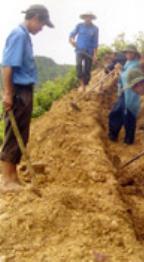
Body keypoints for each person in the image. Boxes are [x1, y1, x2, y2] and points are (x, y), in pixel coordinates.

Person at [0, 4, 54, 193]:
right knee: (13, 134)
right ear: (35, 18)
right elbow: (7, 66)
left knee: (20, 133)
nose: (41, 29)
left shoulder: (24, 36)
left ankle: (12, 176)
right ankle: (6, 180)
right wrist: (7, 93)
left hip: (24, 90)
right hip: (18, 90)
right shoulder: (19, 35)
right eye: (42, 25)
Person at [108, 44, 140, 144]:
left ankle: (128, 140)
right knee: (117, 112)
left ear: (135, 54)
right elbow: (124, 73)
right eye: (127, 52)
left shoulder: (136, 64)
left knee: (128, 116)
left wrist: (120, 71)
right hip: (124, 92)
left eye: (130, 52)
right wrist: (121, 69)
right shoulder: (128, 62)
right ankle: (113, 135)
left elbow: (127, 76)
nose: (128, 54)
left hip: (131, 94)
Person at [69, 11, 99, 92]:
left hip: (89, 52)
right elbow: (71, 36)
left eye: (89, 17)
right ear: (84, 18)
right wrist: (72, 41)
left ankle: (85, 85)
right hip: (79, 50)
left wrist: (95, 55)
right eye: (86, 17)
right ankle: (82, 85)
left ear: (91, 18)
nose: (87, 18)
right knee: (79, 65)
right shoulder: (79, 26)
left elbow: (95, 43)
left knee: (87, 70)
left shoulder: (95, 29)